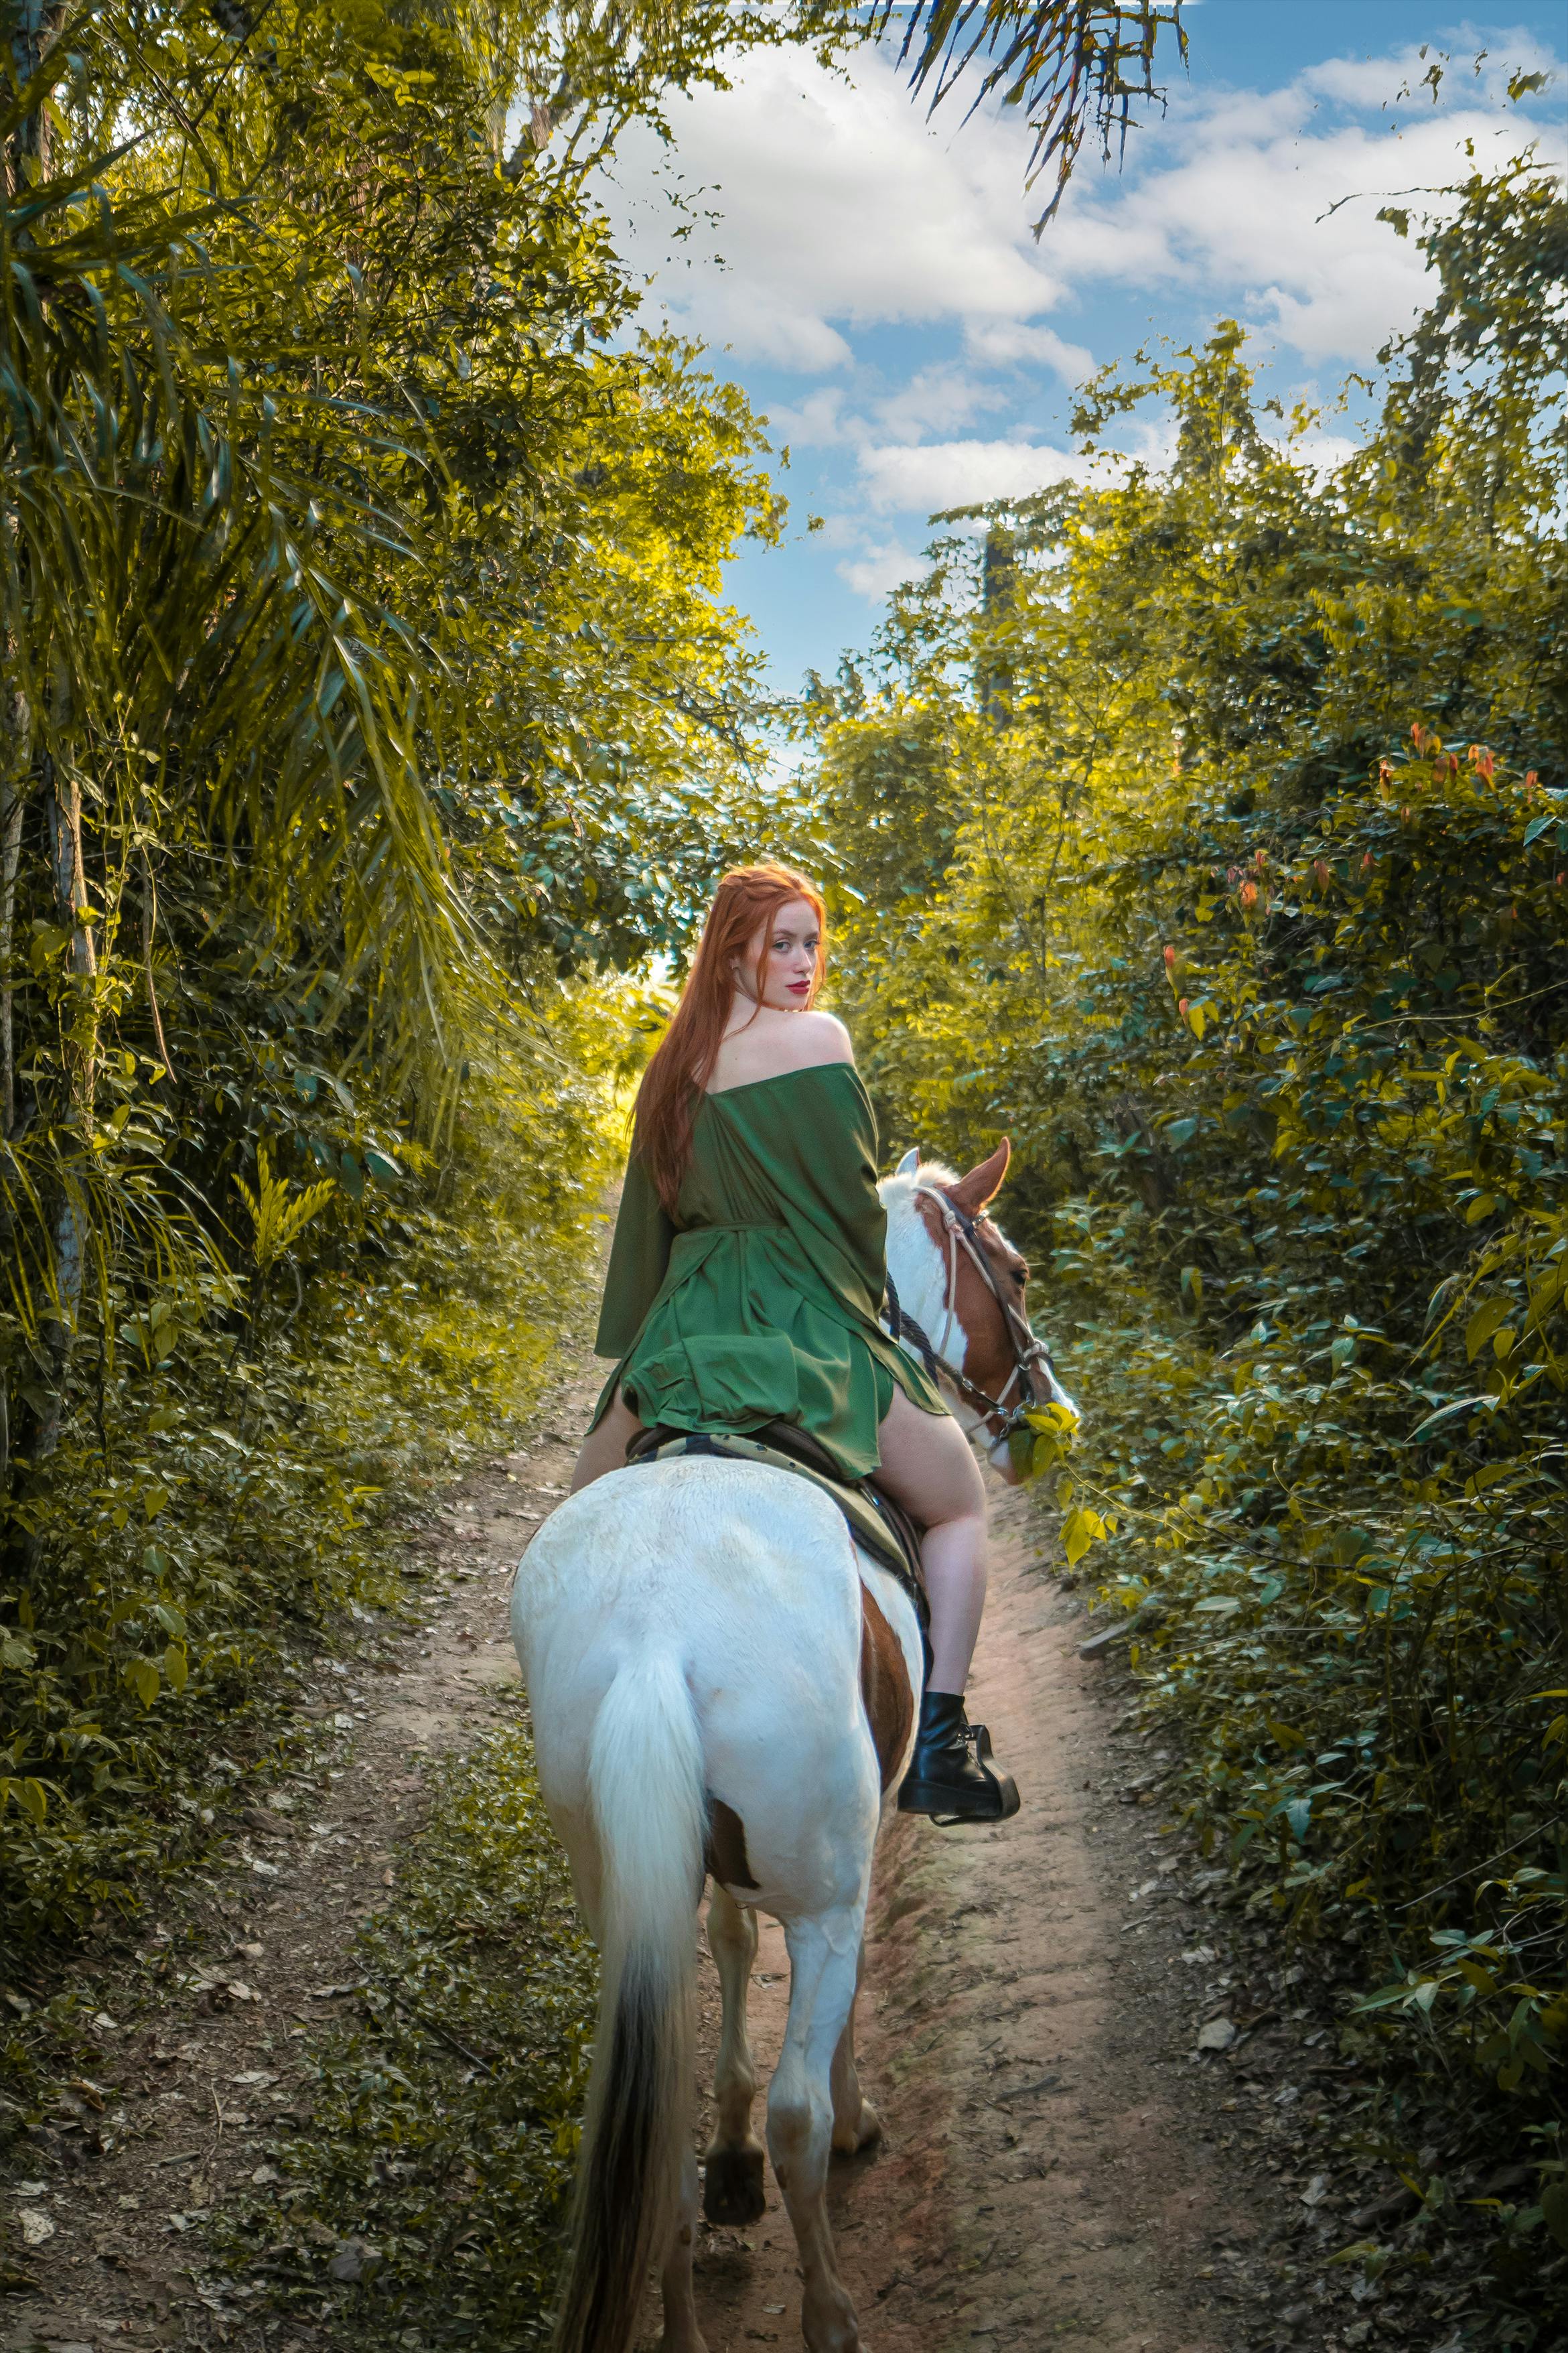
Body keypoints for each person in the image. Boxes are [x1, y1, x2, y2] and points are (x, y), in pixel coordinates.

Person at [570, 862, 1018, 1822]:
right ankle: (940, 1745)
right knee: (958, 1505)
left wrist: (645, 1348)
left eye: (812, 942)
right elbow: (852, 1214)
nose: (804, 962)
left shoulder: (669, 1066)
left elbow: (647, 1236)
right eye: (782, 943)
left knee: (578, 1524)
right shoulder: (818, 1042)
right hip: (804, 1313)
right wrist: (857, 1307)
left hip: (686, 1328)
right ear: (734, 949)